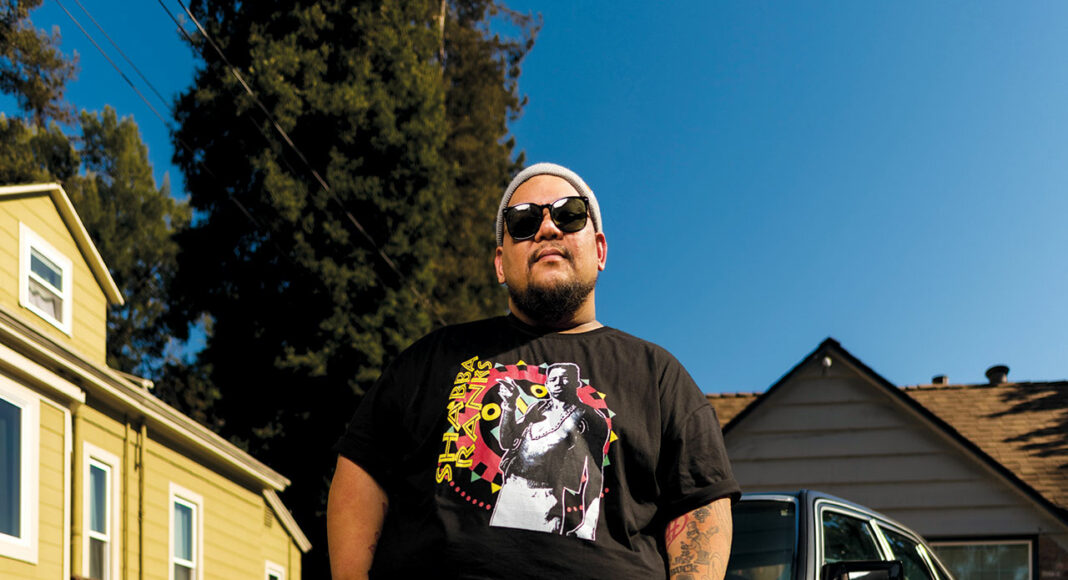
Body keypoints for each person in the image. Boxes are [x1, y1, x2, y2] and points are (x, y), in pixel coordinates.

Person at [328, 163, 740, 579]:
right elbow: (362, 469)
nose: (547, 228)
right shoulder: (432, 358)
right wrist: (508, 407)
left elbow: (700, 504)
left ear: (599, 250)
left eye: (569, 214)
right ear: (500, 264)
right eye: (523, 222)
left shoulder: (657, 376)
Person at [491, 362, 608, 539]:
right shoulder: (538, 408)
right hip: (511, 490)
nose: (558, 383)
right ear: (546, 384)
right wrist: (509, 404)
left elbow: (594, 474)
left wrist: (588, 524)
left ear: (577, 383)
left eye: (565, 378)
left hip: (547, 498)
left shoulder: (589, 418)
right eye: (553, 379)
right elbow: (507, 442)